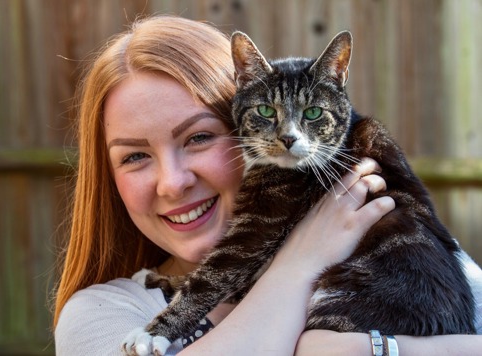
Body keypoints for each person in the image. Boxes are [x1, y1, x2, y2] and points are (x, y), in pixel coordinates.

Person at [53, 15, 482, 355]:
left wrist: (378, 348)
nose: (173, 182)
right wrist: (301, 263)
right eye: (135, 156)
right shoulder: (107, 314)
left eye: (199, 137)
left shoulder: (406, 234)